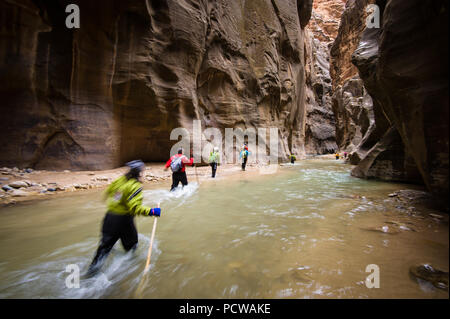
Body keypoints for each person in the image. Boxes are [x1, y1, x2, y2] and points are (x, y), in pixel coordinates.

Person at [87, 160, 161, 277]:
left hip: (109, 217)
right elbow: (135, 208)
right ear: (139, 172)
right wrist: (151, 211)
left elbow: (108, 192)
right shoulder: (135, 186)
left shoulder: (120, 180)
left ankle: (91, 272)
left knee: (104, 247)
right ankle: (130, 268)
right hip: (124, 220)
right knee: (131, 245)